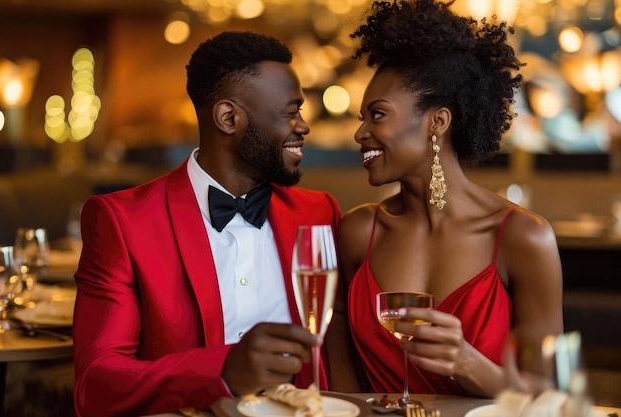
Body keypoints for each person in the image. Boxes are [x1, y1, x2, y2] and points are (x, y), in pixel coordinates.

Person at [73, 31, 340, 416]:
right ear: (229, 118)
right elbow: (95, 385)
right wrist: (223, 371)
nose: (303, 125)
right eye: (290, 111)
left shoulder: (319, 214)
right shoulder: (122, 222)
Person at [325, 0, 563, 398]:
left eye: (378, 115)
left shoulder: (524, 238)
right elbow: (340, 366)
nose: (360, 133)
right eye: (361, 118)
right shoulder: (358, 231)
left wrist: (467, 363)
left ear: (437, 122)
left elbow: (549, 398)